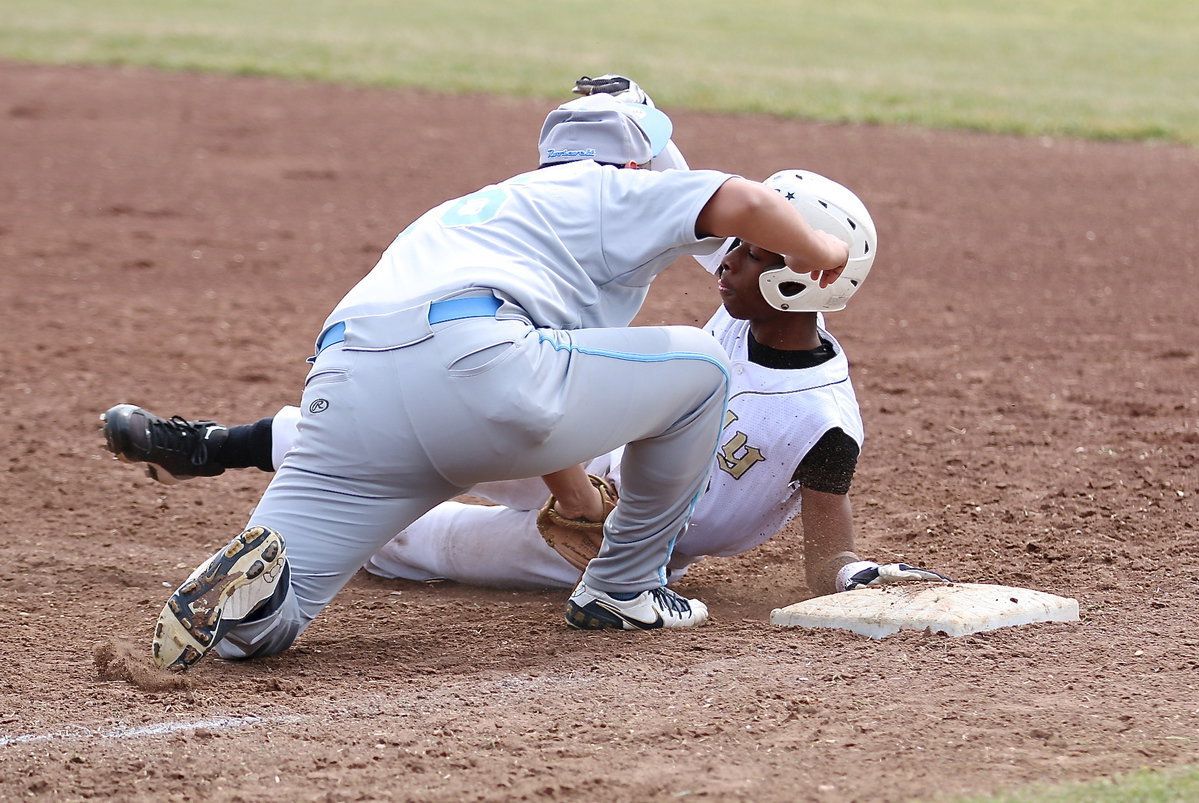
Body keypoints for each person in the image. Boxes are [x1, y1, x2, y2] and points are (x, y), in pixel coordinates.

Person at [132, 91, 851, 672]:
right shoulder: (609, 188)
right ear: (634, 162)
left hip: (346, 384)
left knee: (264, 633)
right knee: (703, 367)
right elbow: (746, 203)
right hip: (475, 365)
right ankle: (624, 588)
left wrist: (575, 492)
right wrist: (819, 246)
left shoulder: (473, 211)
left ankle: (250, 601)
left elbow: (537, 376)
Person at [104, 167, 948, 609]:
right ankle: (212, 446)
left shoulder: (822, 419)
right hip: (588, 456)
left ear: (808, 281)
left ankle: (262, 569)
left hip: (617, 543)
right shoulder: (734, 317)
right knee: (428, 441)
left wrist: (863, 575)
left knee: (414, 545)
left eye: (756, 256)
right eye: (737, 248)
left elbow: (826, 556)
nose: (727, 262)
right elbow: (696, 203)